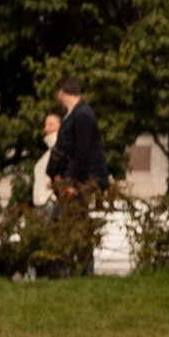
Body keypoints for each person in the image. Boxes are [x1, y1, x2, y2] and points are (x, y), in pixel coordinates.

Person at [47, 77, 111, 267]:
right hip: (76, 179)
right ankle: (81, 268)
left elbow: (82, 153)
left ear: (61, 92)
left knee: (62, 223)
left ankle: (67, 267)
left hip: (81, 180)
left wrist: (74, 184)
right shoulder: (76, 114)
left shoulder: (82, 115)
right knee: (75, 223)